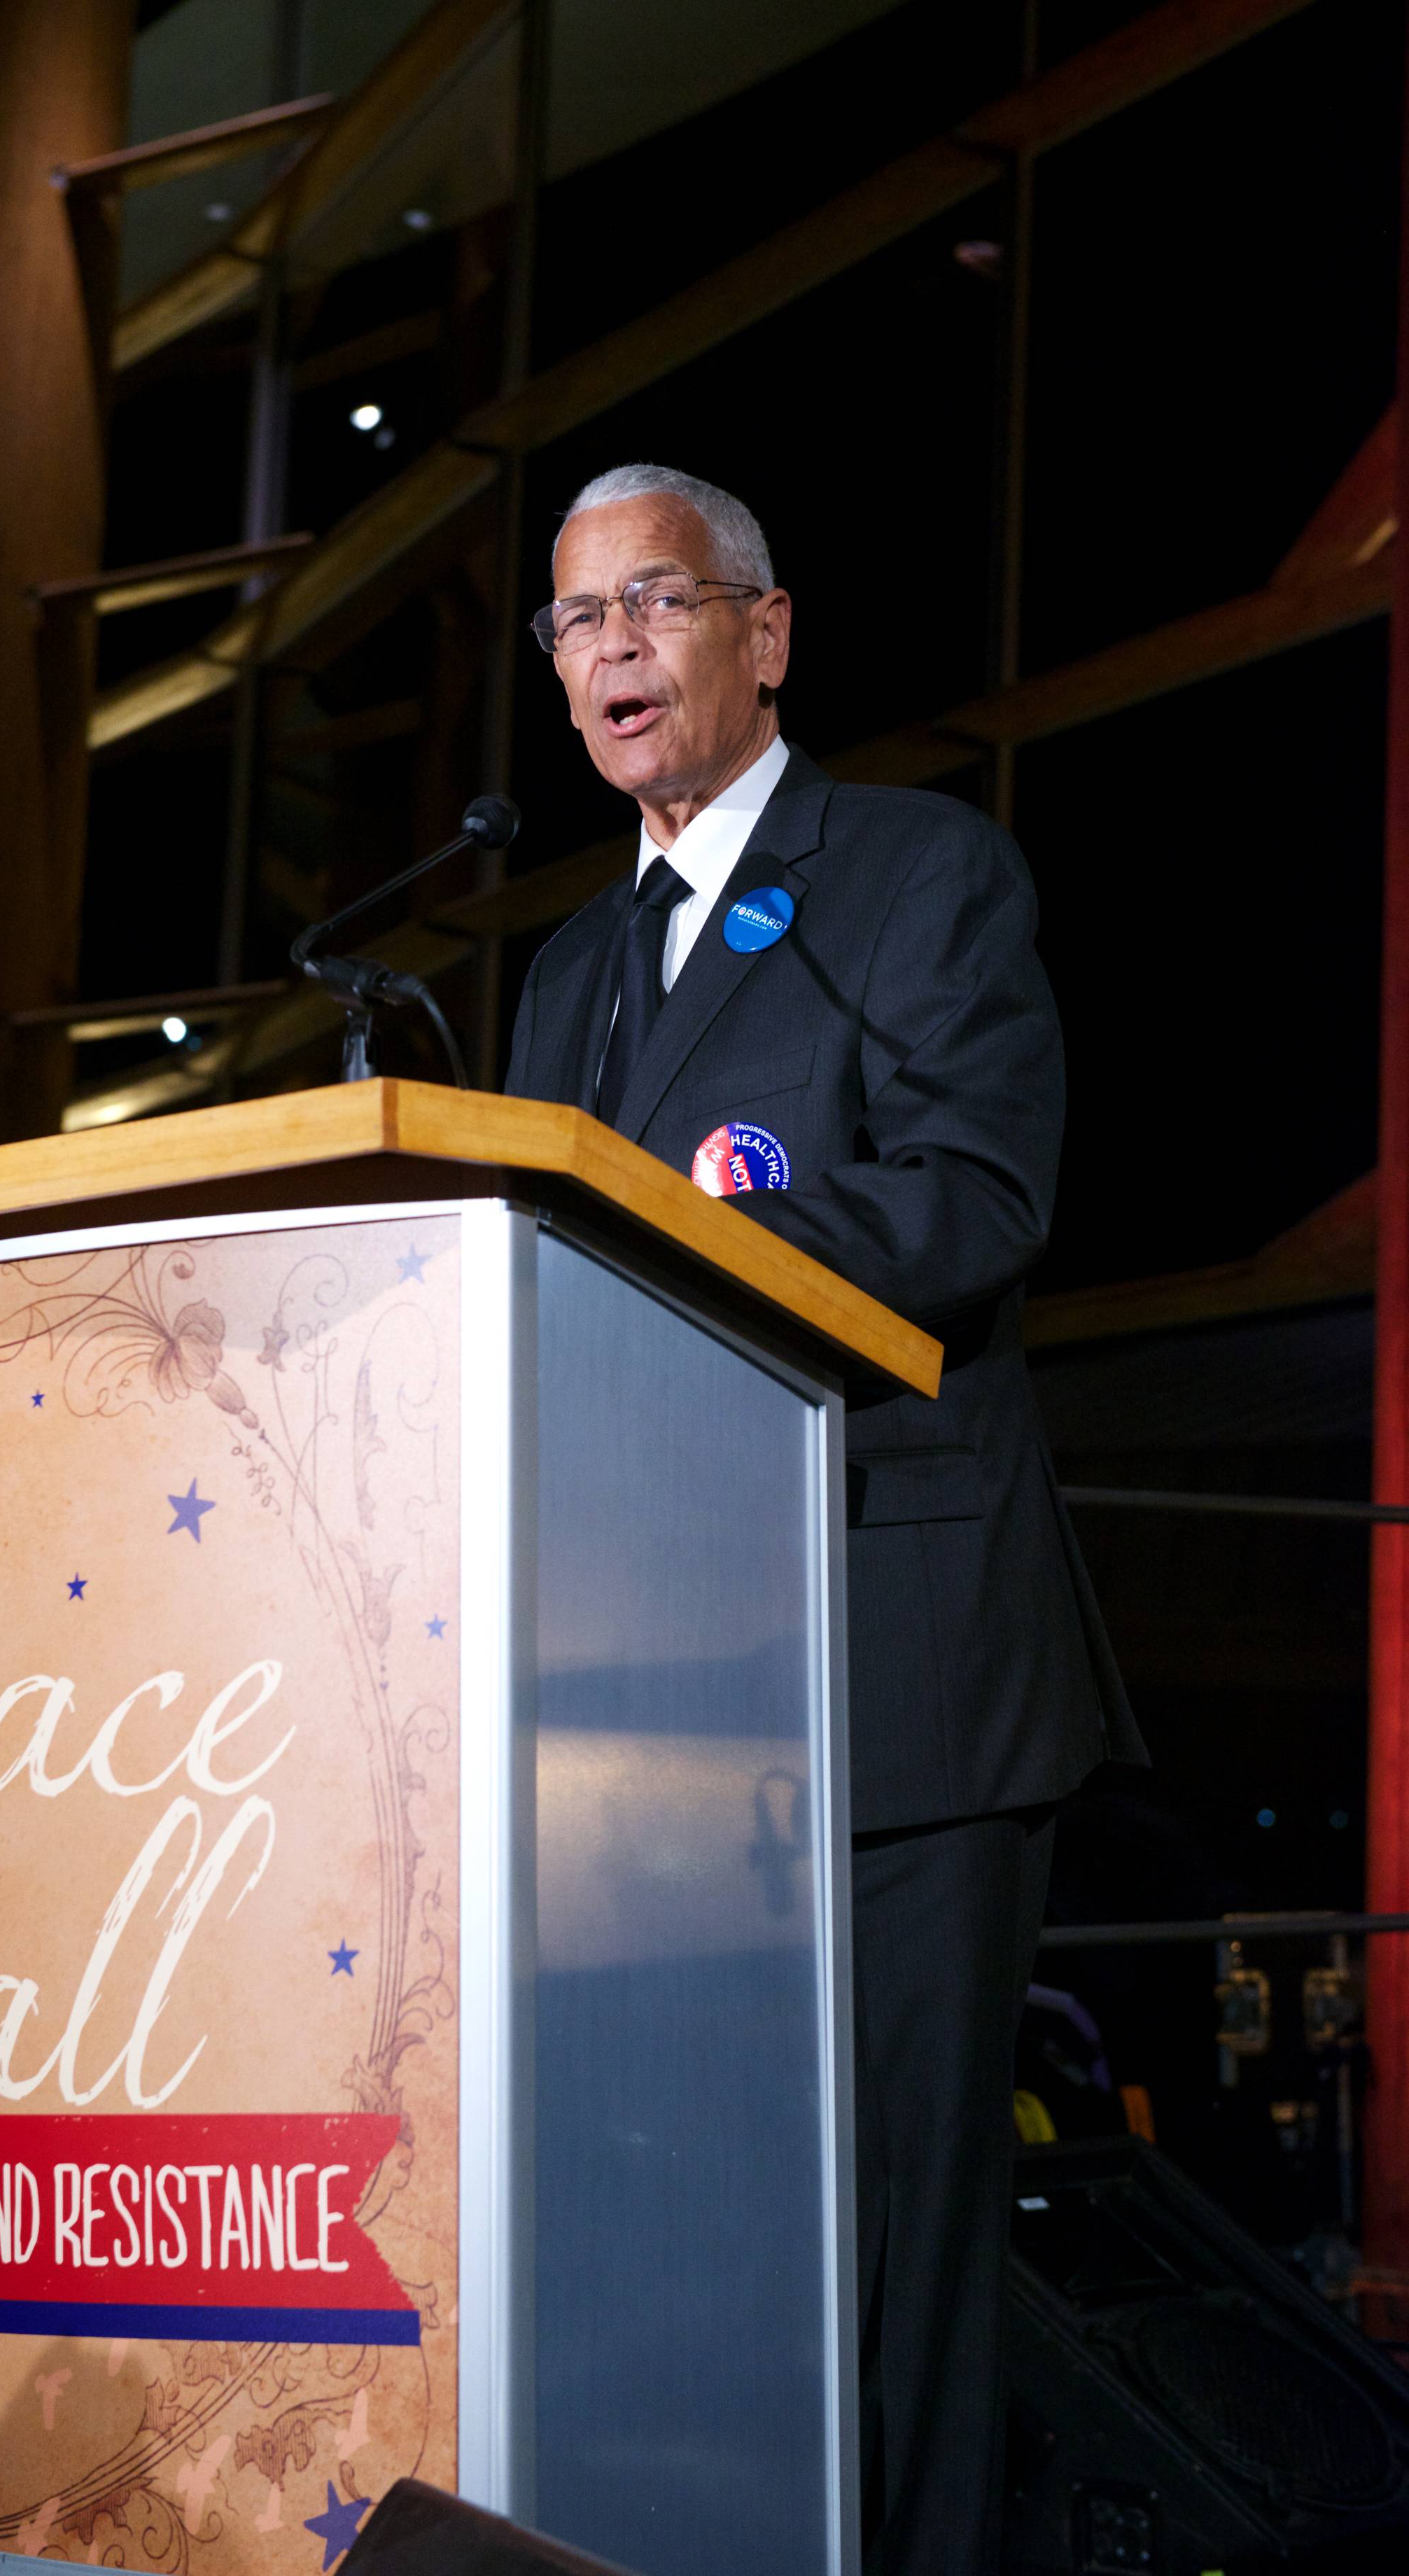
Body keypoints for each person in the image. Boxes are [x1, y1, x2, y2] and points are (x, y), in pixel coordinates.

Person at [504, 462, 1146, 2576]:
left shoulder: (917, 882)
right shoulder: (564, 979)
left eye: (656, 604)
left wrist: (697, 1235)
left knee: (897, 2276)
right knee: (698, 2254)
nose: (611, 650)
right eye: (577, 620)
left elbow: (979, 1204)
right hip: (654, 1718)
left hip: (900, 1683)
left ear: (763, 636)